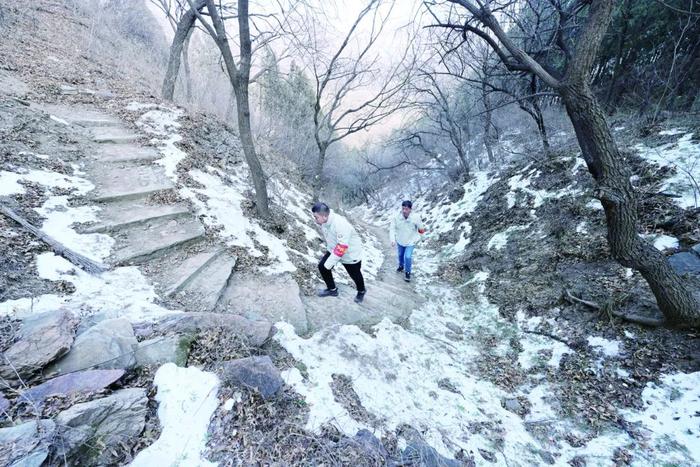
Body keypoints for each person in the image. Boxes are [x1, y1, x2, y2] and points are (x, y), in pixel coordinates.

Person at [311, 202, 366, 303]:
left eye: (316, 217)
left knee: (355, 274)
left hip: (350, 253)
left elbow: (342, 246)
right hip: (334, 249)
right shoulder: (325, 222)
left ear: (324, 216)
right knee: (322, 267)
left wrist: (330, 263)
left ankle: (361, 291)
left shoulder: (340, 224)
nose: (315, 220)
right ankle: (332, 290)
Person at [389, 200, 426, 282]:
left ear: (410, 209)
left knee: (408, 256)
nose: (404, 211)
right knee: (400, 255)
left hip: (411, 241)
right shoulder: (396, 218)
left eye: (406, 209)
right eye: (403, 209)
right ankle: (401, 266)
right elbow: (392, 229)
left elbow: (421, 229)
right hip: (400, 240)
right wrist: (392, 239)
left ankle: (408, 272)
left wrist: (423, 237)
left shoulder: (415, 217)